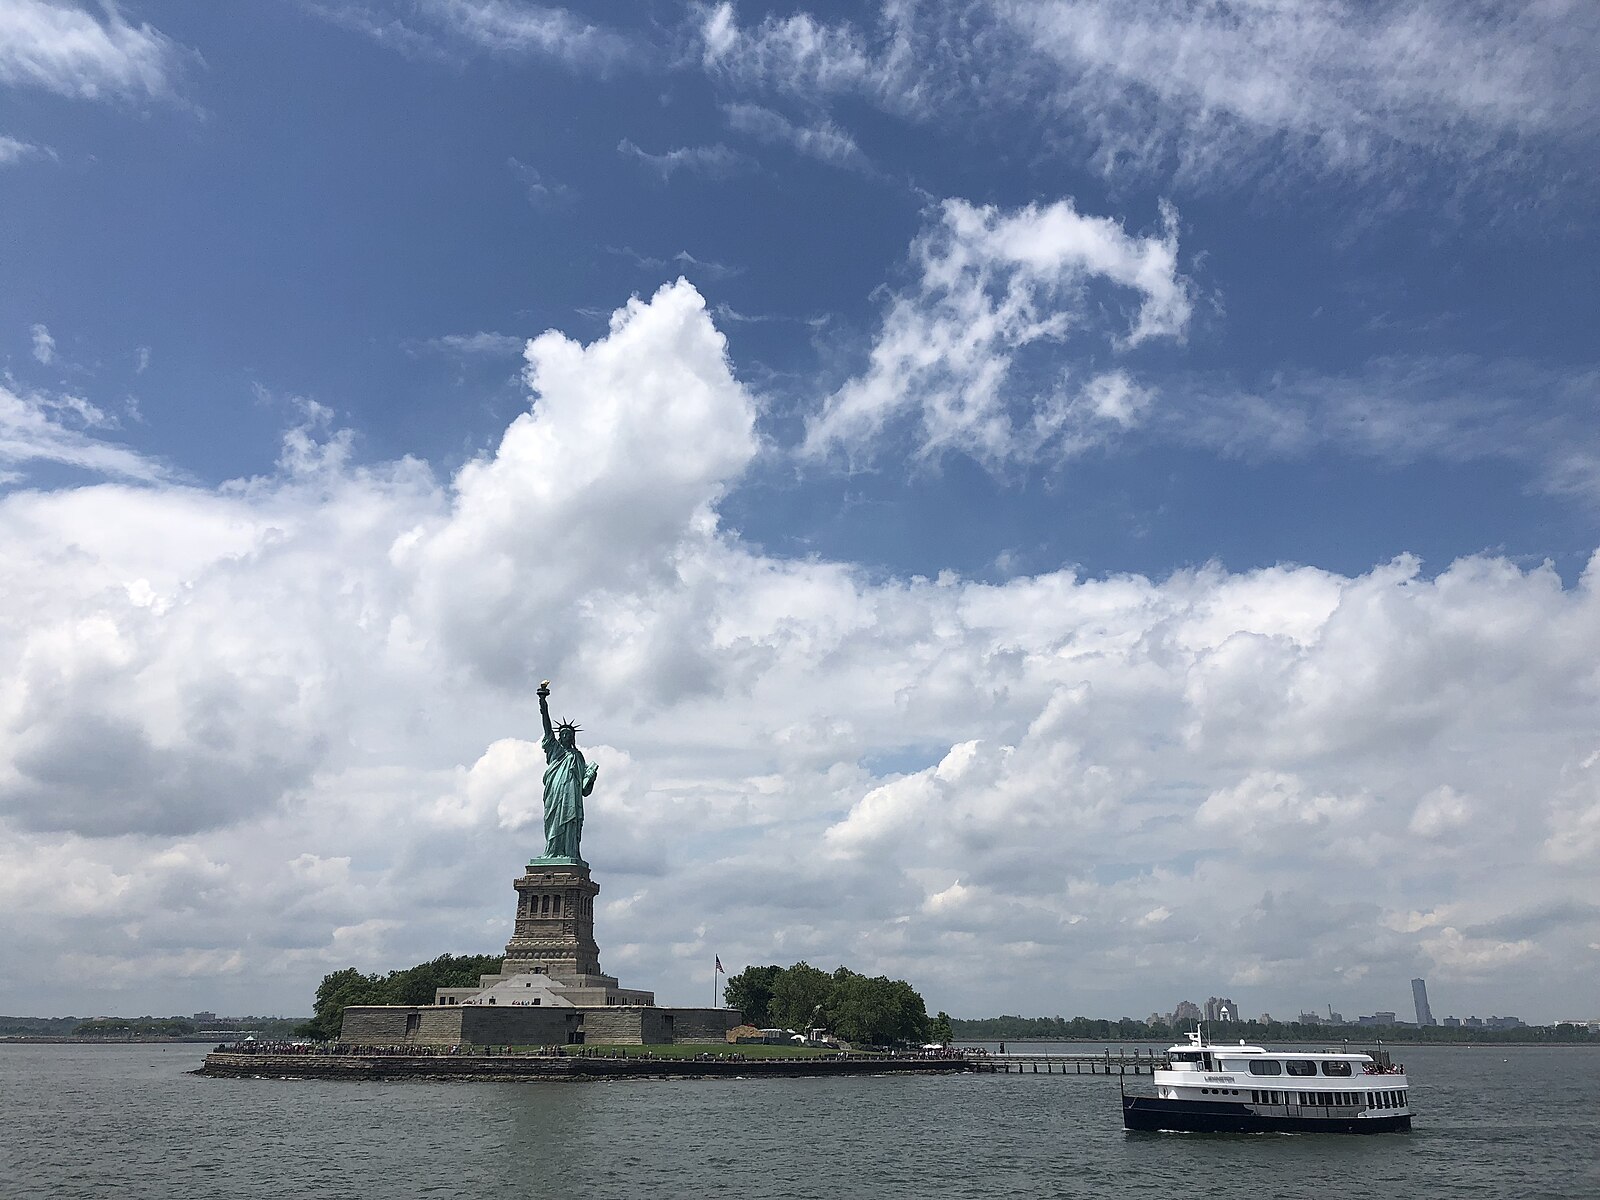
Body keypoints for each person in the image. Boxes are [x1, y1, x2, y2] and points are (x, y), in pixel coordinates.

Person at [537, 681, 598, 861]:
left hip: (572, 794)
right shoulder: (554, 750)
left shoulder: (578, 756)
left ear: (573, 737)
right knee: (554, 819)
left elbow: (584, 789)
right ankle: (553, 851)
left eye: (569, 734)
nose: (565, 736)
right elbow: (547, 727)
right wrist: (543, 703)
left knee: (571, 821)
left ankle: (570, 853)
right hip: (556, 792)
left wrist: (591, 777)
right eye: (562, 734)